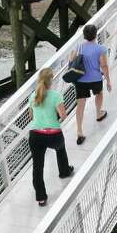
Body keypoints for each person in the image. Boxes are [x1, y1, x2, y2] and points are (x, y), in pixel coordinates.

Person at [27, 69, 74, 207]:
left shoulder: (33, 96)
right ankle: (64, 171)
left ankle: (41, 198)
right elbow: (63, 115)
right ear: (51, 80)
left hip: (35, 135)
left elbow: (31, 117)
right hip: (53, 135)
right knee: (60, 148)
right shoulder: (55, 95)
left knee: (37, 166)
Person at [72, 24, 111, 146]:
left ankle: (79, 130)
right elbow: (104, 65)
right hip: (95, 78)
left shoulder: (79, 47)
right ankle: (99, 113)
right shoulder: (101, 48)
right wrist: (108, 80)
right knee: (99, 93)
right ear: (96, 34)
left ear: (84, 35)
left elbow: (71, 60)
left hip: (81, 79)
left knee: (81, 103)